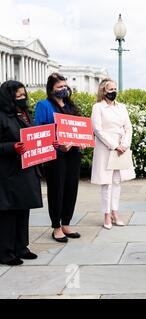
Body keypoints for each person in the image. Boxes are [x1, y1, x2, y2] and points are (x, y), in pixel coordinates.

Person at [34, 73, 83, 243]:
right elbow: (38, 132)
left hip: (73, 154)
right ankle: (56, 226)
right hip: (55, 155)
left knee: (71, 189)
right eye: (59, 87)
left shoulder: (69, 105)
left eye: (64, 86)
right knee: (57, 191)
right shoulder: (44, 105)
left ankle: (66, 223)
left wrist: (81, 140)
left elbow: (77, 127)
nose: (63, 89)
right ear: (51, 89)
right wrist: (57, 144)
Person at [0, 81, 42, 265]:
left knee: (24, 209)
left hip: (26, 169)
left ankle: (21, 246)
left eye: (23, 94)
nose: (22, 98)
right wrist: (12, 147)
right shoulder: (1, 116)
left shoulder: (25, 114)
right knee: (9, 212)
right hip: (8, 172)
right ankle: (5, 252)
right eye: (18, 96)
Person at [91, 79, 135, 229]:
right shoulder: (98, 107)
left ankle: (115, 211)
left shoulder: (122, 107)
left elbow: (128, 127)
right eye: (110, 89)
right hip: (106, 148)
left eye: (115, 89)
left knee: (117, 181)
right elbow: (97, 130)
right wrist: (114, 145)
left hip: (121, 148)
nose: (113, 92)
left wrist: (124, 144)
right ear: (103, 91)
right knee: (106, 183)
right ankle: (106, 214)